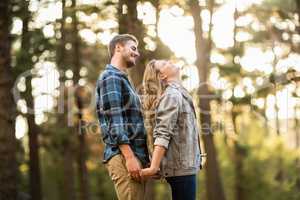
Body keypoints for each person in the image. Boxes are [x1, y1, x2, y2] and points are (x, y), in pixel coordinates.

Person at [95, 34, 149, 200]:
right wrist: (130, 157)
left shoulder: (123, 79)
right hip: (124, 157)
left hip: (133, 156)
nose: (137, 53)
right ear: (118, 47)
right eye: (133, 48)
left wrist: (146, 160)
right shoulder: (111, 77)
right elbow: (115, 120)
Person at [141, 59, 203, 200]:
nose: (169, 62)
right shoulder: (171, 95)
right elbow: (163, 132)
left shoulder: (178, 93)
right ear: (162, 76)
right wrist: (154, 166)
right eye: (164, 64)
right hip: (181, 169)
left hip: (185, 167)